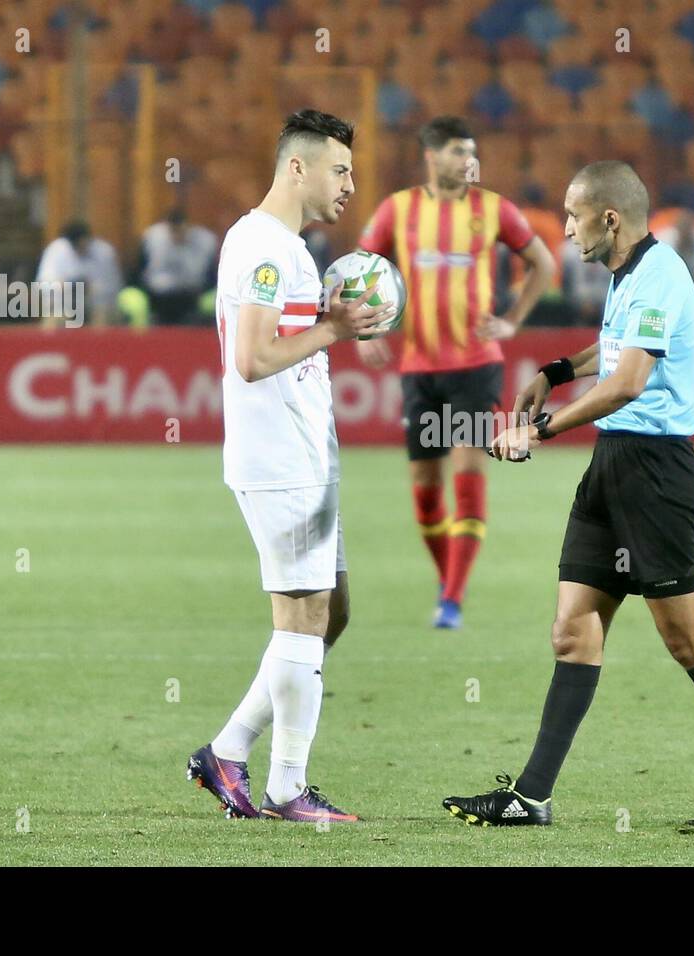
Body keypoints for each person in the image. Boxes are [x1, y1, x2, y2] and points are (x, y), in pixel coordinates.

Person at [443, 161, 694, 829]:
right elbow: (613, 352)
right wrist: (556, 371)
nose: (565, 230)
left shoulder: (659, 277)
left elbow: (629, 380)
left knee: (688, 639)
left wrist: (538, 428)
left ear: (610, 218)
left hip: (655, 474)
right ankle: (531, 798)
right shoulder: (631, 276)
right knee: (573, 630)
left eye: (573, 217)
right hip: (613, 468)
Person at [185, 110, 395, 824]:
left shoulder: (283, 249)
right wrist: (333, 329)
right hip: (280, 460)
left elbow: (284, 347)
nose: (351, 184)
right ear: (297, 168)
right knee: (303, 618)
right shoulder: (267, 251)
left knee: (328, 613)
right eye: (340, 169)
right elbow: (250, 360)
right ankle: (283, 788)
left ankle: (227, 751)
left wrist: (333, 328)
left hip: (304, 455)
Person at [355, 115, 556, 629]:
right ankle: (448, 587)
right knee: (425, 489)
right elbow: (361, 268)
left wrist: (511, 322)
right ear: (431, 155)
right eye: (456, 151)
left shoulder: (493, 209)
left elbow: (544, 264)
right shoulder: (398, 210)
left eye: (471, 151)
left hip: (475, 369)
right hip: (420, 370)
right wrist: (369, 330)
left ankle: (453, 599)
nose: (467, 160)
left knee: (468, 475)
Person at [135, 207, 218, 325]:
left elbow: (211, 275)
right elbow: (140, 270)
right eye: (173, 231)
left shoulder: (205, 241)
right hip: (157, 297)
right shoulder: (152, 239)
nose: (177, 236)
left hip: (193, 297)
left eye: (181, 231)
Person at [36, 220, 123, 327]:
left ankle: (99, 343)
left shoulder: (105, 252)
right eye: (78, 245)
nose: (82, 248)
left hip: (96, 303)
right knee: (55, 319)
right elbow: (43, 284)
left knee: (103, 318)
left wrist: (93, 289)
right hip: (63, 302)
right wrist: (66, 286)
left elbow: (114, 287)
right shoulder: (56, 250)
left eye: (85, 243)